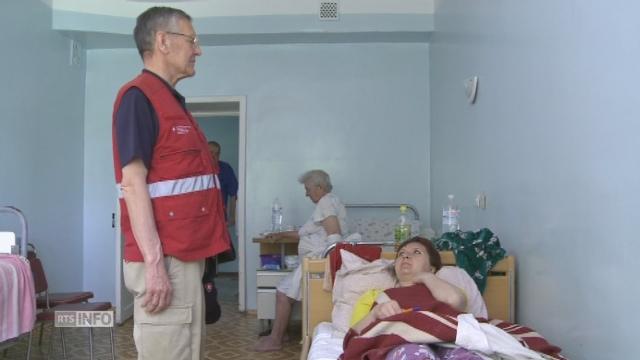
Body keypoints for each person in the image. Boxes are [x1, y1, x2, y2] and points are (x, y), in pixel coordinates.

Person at [111, 7, 230, 360]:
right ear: (163, 41)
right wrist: (154, 265)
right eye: (192, 40)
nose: (198, 50)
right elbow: (132, 183)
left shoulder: (172, 103)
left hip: (186, 257)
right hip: (165, 259)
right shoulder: (139, 98)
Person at [254, 169, 347, 352]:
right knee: (283, 290)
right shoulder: (329, 202)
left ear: (319, 187)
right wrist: (279, 234)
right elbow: (304, 232)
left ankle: (276, 339)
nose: (306, 193)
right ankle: (281, 333)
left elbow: (334, 236)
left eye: (308, 189)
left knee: (282, 292)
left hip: (318, 262)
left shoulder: (326, 203)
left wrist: (327, 267)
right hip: (315, 260)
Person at [347, 237, 481, 360]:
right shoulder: (380, 295)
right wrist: (375, 312)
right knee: (413, 353)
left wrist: (426, 276)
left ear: (432, 267)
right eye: (401, 254)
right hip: (401, 344)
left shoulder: (444, 289)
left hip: (447, 341)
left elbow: (455, 302)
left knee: (464, 356)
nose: (406, 255)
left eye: (416, 252)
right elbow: (355, 337)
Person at [207, 141, 237, 263]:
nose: (213, 156)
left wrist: (232, 217)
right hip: (202, 218)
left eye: (216, 153)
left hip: (220, 218)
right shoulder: (197, 167)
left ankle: (212, 277)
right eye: (210, 153)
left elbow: (234, 194)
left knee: (219, 250)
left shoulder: (225, 168)